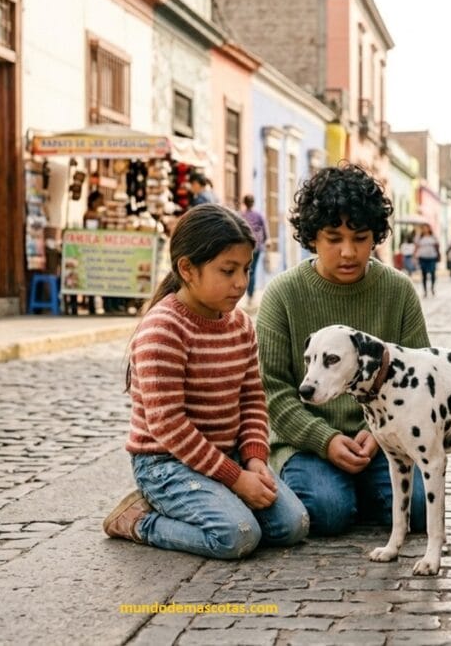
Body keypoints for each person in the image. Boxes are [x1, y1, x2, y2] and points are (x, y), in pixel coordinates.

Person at [101, 204, 309, 558]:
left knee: (294, 525)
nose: (241, 282)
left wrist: (255, 459)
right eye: (227, 271)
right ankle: (139, 519)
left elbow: (252, 399)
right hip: (167, 464)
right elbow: (169, 425)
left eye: (245, 269)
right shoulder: (163, 330)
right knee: (237, 536)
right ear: (187, 269)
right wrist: (236, 479)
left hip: (228, 457)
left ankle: (218, 499)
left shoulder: (240, 325)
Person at [255, 164, 430, 536]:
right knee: (328, 510)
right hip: (306, 443)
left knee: (420, 510)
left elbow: (419, 379)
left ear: (375, 237)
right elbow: (272, 391)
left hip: (384, 439)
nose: (348, 252)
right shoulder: (282, 294)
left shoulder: (398, 291)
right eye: (333, 238)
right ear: (312, 237)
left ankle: (361, 490)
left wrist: (378, 432)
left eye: (360, 238)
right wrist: (326, 439)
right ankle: (342, 493)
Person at [240, 194, 268, 302]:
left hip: (244, 247)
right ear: (253, 203)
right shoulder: (259, 215)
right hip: (257, 246)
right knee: (252, 270)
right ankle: (250, 293)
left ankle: (248, 292)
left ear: (244, 203)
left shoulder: (241, 216)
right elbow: (265, 230)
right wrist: (265, 241)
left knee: (247, 269)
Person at [415, 223, 440, 297]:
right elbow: (416, 247)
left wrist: (438, 254)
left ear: (429, 229)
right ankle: (425, 290)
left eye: (426, 228)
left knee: (433, 273)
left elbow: (437, 246)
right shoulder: (419, 237)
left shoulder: (433, 237)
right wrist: (414, 256)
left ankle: (432, 287)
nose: (425, 229)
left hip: (432, 257)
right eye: (423, 228)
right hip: (422, 257)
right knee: (424, 274)